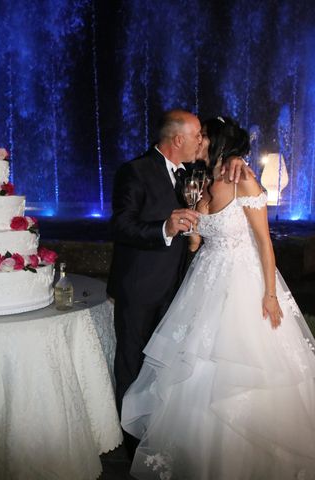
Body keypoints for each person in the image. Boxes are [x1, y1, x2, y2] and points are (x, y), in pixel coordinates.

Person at [121, 116, 315, 479]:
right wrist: (189, 231)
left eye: (203, 136)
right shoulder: (202, 181)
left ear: (217, 142)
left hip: (242, 284)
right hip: (204, 282)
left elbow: (265, 242)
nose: (198, 141)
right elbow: (198, 240)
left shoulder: (243, 178)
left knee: (241, 366)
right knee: (196, 366)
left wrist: (269, 295)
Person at [107, 109, 250, 457]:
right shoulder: (134, 171)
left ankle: (160, 435)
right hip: (139, 289)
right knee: (133, 366)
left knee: (167, 366)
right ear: (178, 139)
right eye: (197, 133)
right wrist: (164, 230)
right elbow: (120, 226)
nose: (202, 139)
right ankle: (133, 448)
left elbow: (226, 157)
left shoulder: (194, 172)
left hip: (182, 291)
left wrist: (234, 158)